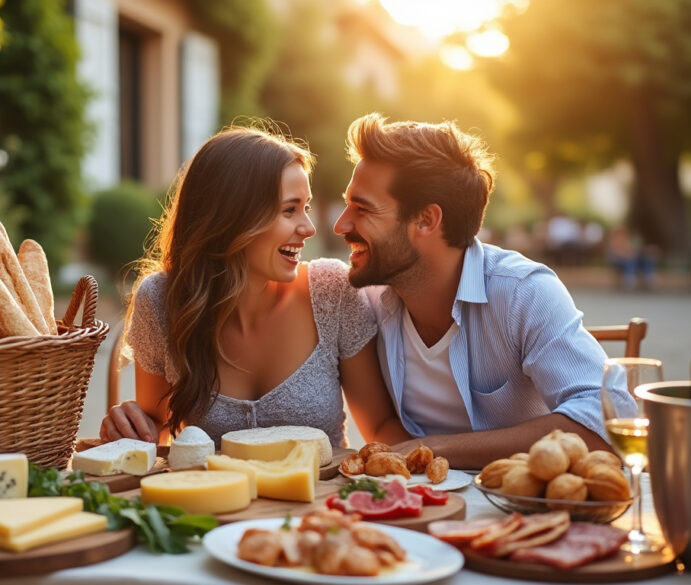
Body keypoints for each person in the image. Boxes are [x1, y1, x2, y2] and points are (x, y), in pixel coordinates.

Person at [332, 114, 635, 468]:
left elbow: (607, 422)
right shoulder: (364, 301)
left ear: (426, 220)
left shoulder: (523, 293)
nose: (341, 224)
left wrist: (434, 449)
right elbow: (382, 427)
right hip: (422, 506)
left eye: (362, 208)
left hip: (520, 508)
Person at [99, 125, 410, 448]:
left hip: (323, 497)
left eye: (305, 207)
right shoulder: (161, 300)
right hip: (219, 499)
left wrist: (447, 461)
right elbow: (156, 439)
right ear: (232, 218)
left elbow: (380, 428)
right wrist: (129, 429)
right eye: (289, 210)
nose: (308, 228)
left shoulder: (332, 290)